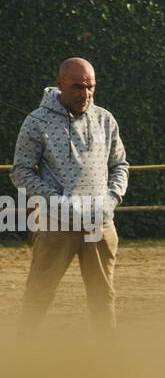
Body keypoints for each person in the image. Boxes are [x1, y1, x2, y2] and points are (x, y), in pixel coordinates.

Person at [11, 57, 128, 340]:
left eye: (90, 87)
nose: (85, 94)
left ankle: (108, 357)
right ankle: (21, 358)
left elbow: (120, 165)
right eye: (77, 87)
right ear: (60, 83)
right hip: (56, 225)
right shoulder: (36, 122)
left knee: (103, 296)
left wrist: (111, 200)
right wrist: (58, 202)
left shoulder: (105, 119)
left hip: (99, 225)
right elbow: (21, 172)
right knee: (39, 293)